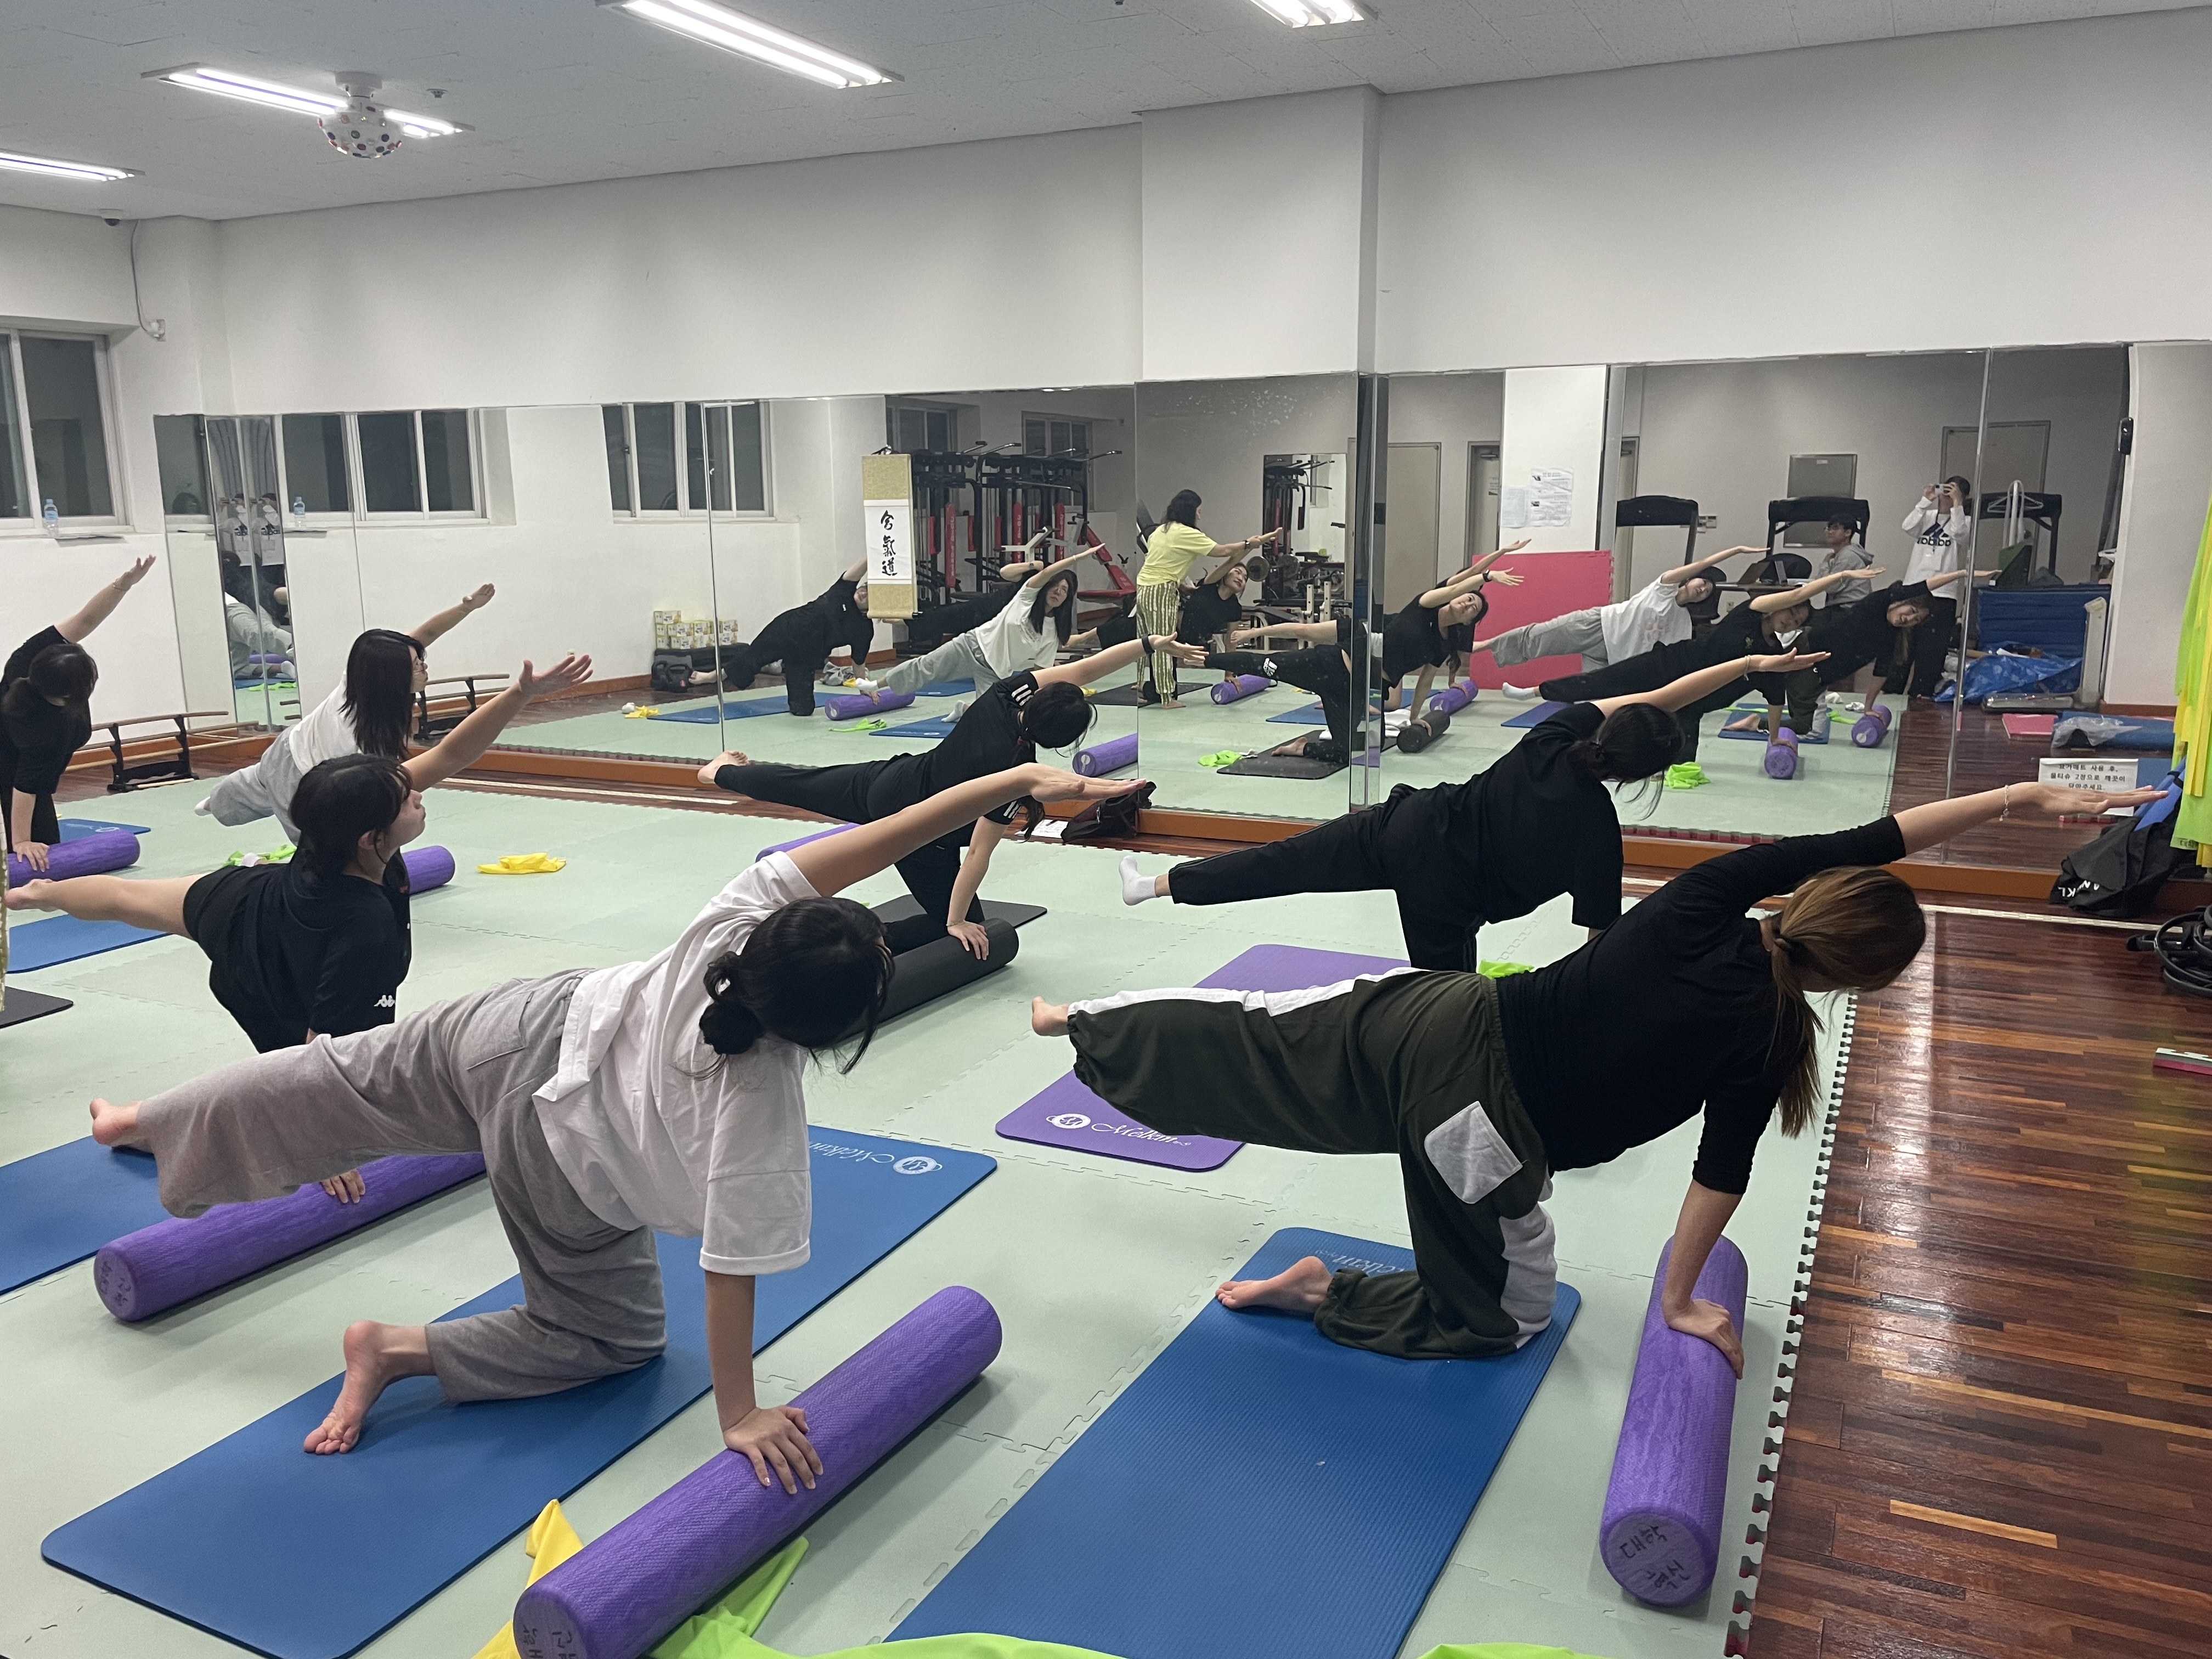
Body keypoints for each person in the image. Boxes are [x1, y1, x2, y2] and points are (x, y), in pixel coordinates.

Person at [88, 760, 1134, 1473]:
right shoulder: (760, 1105)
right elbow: (728, 1269)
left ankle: (141, 1117)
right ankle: (398, 1346)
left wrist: (1010, 780)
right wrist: (739, 1412)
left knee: (335, 1075)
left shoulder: (731, 922)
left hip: (516, 1019)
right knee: (611, 1336)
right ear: (831, 1035)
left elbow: (882, 835)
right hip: (553, 1149)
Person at [1035, 776, 2155, 1367]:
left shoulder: (1713, 897)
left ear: (1809, 898)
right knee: (1505, 1316)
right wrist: (1676, 1299)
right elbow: (1719, 1178)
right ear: (1859, 981)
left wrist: (2014, 801)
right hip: (1478, 1124)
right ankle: (1329, 1290)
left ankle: (1080, 1023)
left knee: (1261, 1039)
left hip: (1437, 1008)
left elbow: (1873, 836)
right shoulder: (1771, 1038)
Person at [10, 654, 593, 1057]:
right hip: (269, 982)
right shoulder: (365, 925)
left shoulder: (337, 825)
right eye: (407, 797)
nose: (420, 794)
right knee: (298, 1057)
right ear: (372, 837)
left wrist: (520, 694)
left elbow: (450, 755)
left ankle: (38, 892)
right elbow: (325, 1051)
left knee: (124, 896)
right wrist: (326, 1147)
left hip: (250, 896)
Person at [1119, 648, 1822, 970]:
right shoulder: (1599, 836)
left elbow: (1659, 696)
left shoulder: (1553, 737)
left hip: (1403, 826)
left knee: (1280, 864)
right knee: (1447, 1017)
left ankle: (1152, 884)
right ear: (1645, 774)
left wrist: (1748, 665)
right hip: (1446, 898)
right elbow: (1598, 952)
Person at [706, 634, 1205, 958]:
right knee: (963, 928)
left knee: (801, 783)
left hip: (890, 779)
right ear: (1058, 741)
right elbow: (978, 856)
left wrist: (1149, 644)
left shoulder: (1004, 697)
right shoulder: (1011, 774)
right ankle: (864, 944)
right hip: (922, 836)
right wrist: (957, 920)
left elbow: (1088, 668)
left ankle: (720, 773)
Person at [197, 585, 504, 841]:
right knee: (319, 852)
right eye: (415, 664)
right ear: (393, 676)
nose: (424, 666)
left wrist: (466, 609)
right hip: (303, 780)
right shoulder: (356, 743)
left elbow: (427, 633)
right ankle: (218, 809)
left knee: (249, 787)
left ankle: (214, 804)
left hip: (286, 754)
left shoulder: (359, 681)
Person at [1538, 568, 1876, 760]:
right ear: (1777, 607)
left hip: (1692, 705)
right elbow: (1795, 595)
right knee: (1604, 683)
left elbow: (1775, 702)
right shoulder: (1747, 615)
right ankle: (1537, 692)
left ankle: (1592, 749)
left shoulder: (1773, 658)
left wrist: (1774, 739)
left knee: (1674, 755)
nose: (1791, 620)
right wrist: (1842, 576)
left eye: (1798, 621)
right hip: (1669, 665)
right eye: (1791, 612)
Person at [2, 555, 158, 872]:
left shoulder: (31, 659)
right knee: (34, 853)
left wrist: (122, 586)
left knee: (46, 846)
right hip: (8, 756)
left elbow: (85, 621)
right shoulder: (46, 733)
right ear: (70, 695)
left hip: (20, 748)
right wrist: (22, 842)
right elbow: (25, 788)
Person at [1718, 572, 1979, 740]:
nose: (1908, 619)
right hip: (1807, 657)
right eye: (1911, 611)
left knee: (1773, 688)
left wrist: (1868, 706)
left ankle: (1753, 706)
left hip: (1820, 674)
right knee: (1808, 728)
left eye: (1915, 620)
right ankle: (1756, 721)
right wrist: (1961, 574)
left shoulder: (1891, 637)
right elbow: (1920, 587)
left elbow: (1881, 673)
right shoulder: (1878, 603)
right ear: (1901, 602)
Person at [1477, 545, 1750, 697]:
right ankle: (1483, 645)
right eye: (1704, 582)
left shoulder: (1684, 625)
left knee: (1585, 694)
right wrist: (1735, 551)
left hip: (1615, 659)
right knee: (1541, 635)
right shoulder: (1664, 589)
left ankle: (1529, 693)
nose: (1703, 589)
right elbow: (1701, 563)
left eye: (1708, 592)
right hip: (1600, 627)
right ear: (1691, 579)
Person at [866, 544, 1101, 696]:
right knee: (925, 667)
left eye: (1064, 590)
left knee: (989, 716)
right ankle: (876, 685)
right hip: (971, 647)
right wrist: (1075, 558)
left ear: (1067, 599)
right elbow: (1029, 574)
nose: (1058, 592)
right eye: (1056, 586)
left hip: (996, 672)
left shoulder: (1052, 633)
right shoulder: (1026, 598)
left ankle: (963, 711)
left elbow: (1040, 672)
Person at [1135, 492, 1282, 708]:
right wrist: (1249, 543)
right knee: (1161, 643)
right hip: (1161, 591)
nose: (1199, 516)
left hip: (1145, 588)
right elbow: (1223, 552)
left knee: (1146, 641)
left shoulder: (1162, 530)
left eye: (1244, 577)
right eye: (1199, 512)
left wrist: (1229, 673)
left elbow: (1161, 562)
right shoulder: (1189, 538)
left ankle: (1140, 685)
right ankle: (1166, 698)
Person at [711, 560, 875, 716]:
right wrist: (877, 551)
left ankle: (773, 665)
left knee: (803, 710)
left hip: (806, 657)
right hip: (787, 630)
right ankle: (716, 675)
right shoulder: (844, 590)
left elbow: (858, 663)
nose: (863, 593)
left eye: (871, 596)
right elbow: (863, 565)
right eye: (865, 588)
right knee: (752, 658)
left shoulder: (864, 630)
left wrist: (865, 688)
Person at [1380, 543, 1528, 712]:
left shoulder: (1455, 629)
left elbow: (1453, 654)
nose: (1468, 603)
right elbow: (1470, 575)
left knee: (1392, 704)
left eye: (1473, 605)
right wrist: (1499, 556)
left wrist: (1451, 681)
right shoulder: (1434, 600)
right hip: (1381, 638)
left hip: (1390, 667)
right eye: (1469, 597)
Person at [1898, 477, 1974, 699]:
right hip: (1914, 588)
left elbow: (1960, 535)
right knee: (1903, 645)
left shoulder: (1965, 520)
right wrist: (1925, 500)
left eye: (1952, 492)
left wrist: (1957, 505)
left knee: (1932, 649)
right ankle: (1892, 689)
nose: (1945, 496)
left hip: (1943, 593)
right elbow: (1907, 527)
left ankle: (1922, 692)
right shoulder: (1927, 516)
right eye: (1944, 490)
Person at [1814, 519, 1875, 608]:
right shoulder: (1839, 555)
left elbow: (1830, 587)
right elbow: (1820, 583)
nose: (1830, 532)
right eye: (1828, 528)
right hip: (1846, 606)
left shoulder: (1848, 555)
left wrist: (1826, 563)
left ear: (1848, 533)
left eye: (1835, 528)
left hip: (1850, 608)